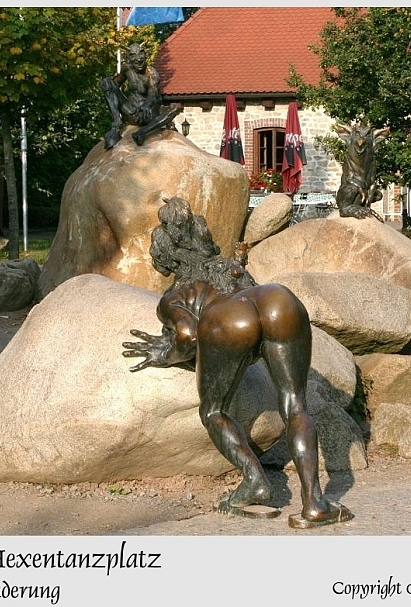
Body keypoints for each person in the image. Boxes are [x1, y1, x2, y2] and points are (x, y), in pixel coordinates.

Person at [122, 198, 353, 528]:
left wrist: (166, 352)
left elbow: (187, 337)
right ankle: (314, 503)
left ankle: (254, 480)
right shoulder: (231, 266)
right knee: (296, 406)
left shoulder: (175, 296)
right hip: (276, 299)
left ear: (164, 260)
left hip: (226, 322)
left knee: (213, 410)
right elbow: (251, 300)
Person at [100, 43, 181, 149]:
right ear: (128, 58)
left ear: (145, 56)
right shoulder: (127, 69)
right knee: (106, 83)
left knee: (176, 107)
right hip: (129, 111)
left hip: (147, 114)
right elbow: (114, 84)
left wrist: (147, 105)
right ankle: (116, 126)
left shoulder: (151, 73)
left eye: (141, 55)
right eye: (134, 56)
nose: (138, 59)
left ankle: (142, 132)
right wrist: (108, 85)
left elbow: (153, 93)